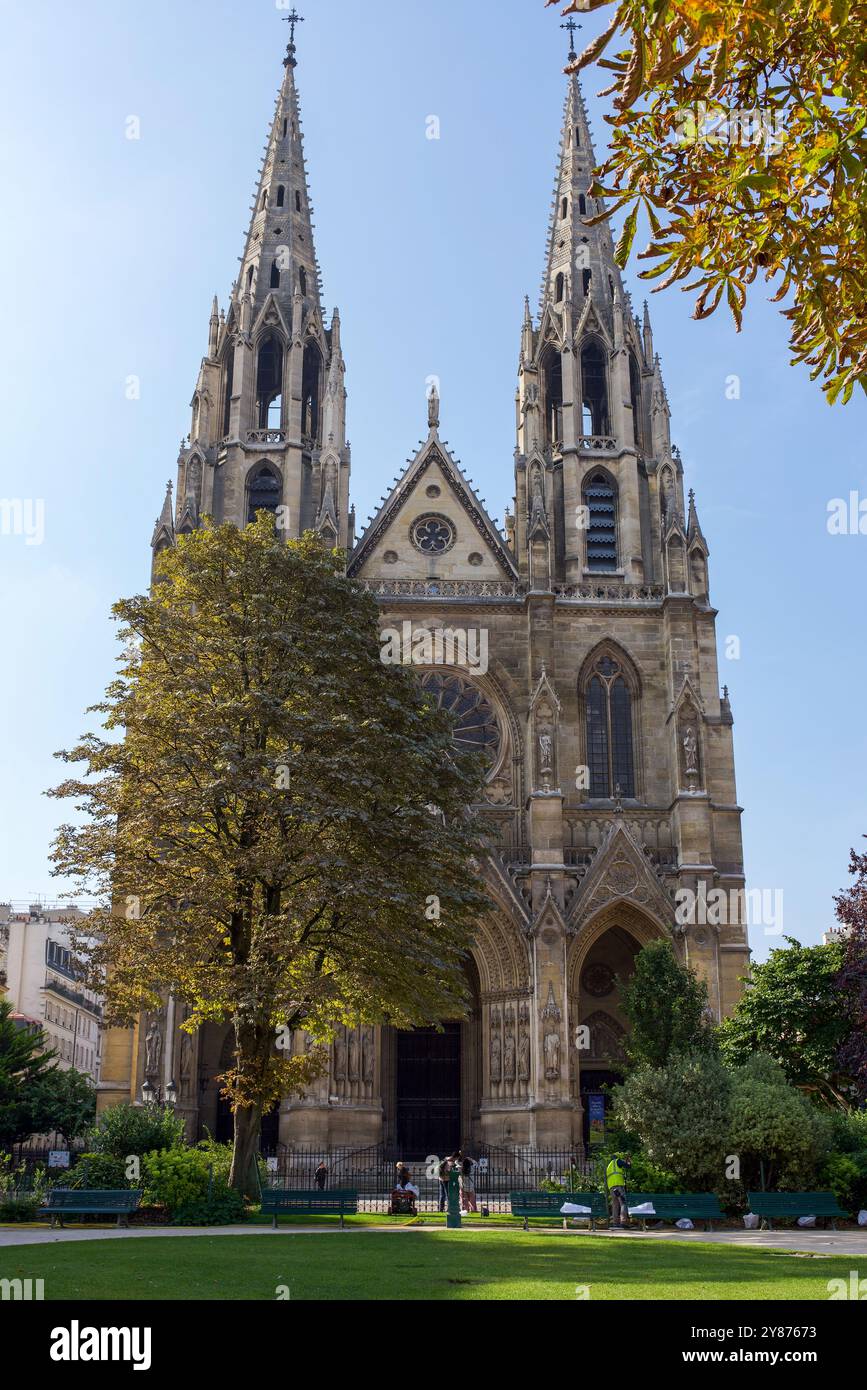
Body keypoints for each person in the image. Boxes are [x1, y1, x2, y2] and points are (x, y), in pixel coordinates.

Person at [606, 1152, 632, 1229]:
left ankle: (615, 1223)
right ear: (616, 1158)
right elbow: (628, 1166)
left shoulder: (609, 1166)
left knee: (615, 1205)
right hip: (618, 1186)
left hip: (611, 1188)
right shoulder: (617, 1161)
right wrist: (629, 1161)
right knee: (623, 1203)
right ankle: (623, 1222)